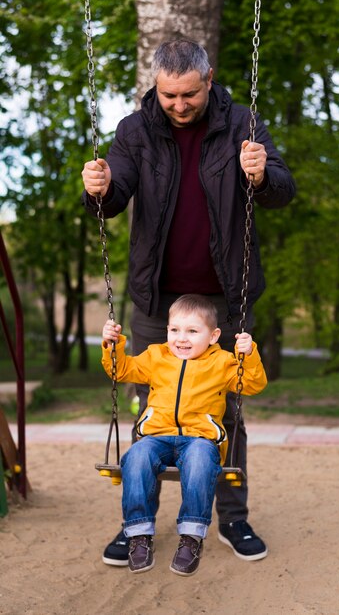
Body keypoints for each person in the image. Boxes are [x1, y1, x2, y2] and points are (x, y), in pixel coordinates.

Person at [82, 38, 295, 566]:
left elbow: (284, 190)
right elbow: (114, 197)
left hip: (225, 294)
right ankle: (138, 527)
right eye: (169, 95)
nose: (179, 105)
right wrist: (99, 188)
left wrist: (261, 173)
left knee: (228, 409)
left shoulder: (243, 123)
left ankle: (233, 518)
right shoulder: (135, 130)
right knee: (149, 411)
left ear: (209, 79)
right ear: (157, 86)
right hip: (158, 296)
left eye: (190, 95)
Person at [101, 294, 267, 576]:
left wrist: (248, 354)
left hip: (199, 440)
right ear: (166, 331)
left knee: (202, 460)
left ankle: (191, 538)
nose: (182, 338)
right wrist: (113, 346)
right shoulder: (156, 356)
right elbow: (122, 370)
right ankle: (139, 536)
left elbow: (252, 383)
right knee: (137, 456)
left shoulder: (223, 363)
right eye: (174, 330)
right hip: (157, 438)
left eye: (192, 331)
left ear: (214, 336)